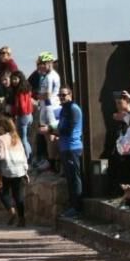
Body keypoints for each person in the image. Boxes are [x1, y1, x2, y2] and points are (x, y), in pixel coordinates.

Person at [55, 87, 84, 217]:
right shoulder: (64, 110)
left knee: (74, 178)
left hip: (73, 147)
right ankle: (72, 205)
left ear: (70, 95)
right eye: (60, 95)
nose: (61, 97)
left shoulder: (73, 109)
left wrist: (51, 130)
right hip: (64, 147)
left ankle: (77, 208)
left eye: (64, 95)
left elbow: (68, 130)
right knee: (69, 178)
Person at [0, 117, 30, 227]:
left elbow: (1, 155)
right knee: (18, 196)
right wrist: (25, 170)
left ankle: (11, 211)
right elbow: (23, 154)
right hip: (19, 170)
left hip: (7, 169)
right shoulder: (17, 138)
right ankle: (22, 218)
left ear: (3, 127)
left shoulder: (0, 138)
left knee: (3, 193)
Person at [8, 70, 34, 160]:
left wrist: (15, 114)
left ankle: (27, 158)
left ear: (20, 79)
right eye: (12, 79)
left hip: (23, 116)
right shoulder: (26, 88)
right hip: (29, 115)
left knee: (23, 139)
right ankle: (30, 156)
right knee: (26, 138)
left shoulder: (19, 91)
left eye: (15, 79)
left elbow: (21, 106)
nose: (13, 81)